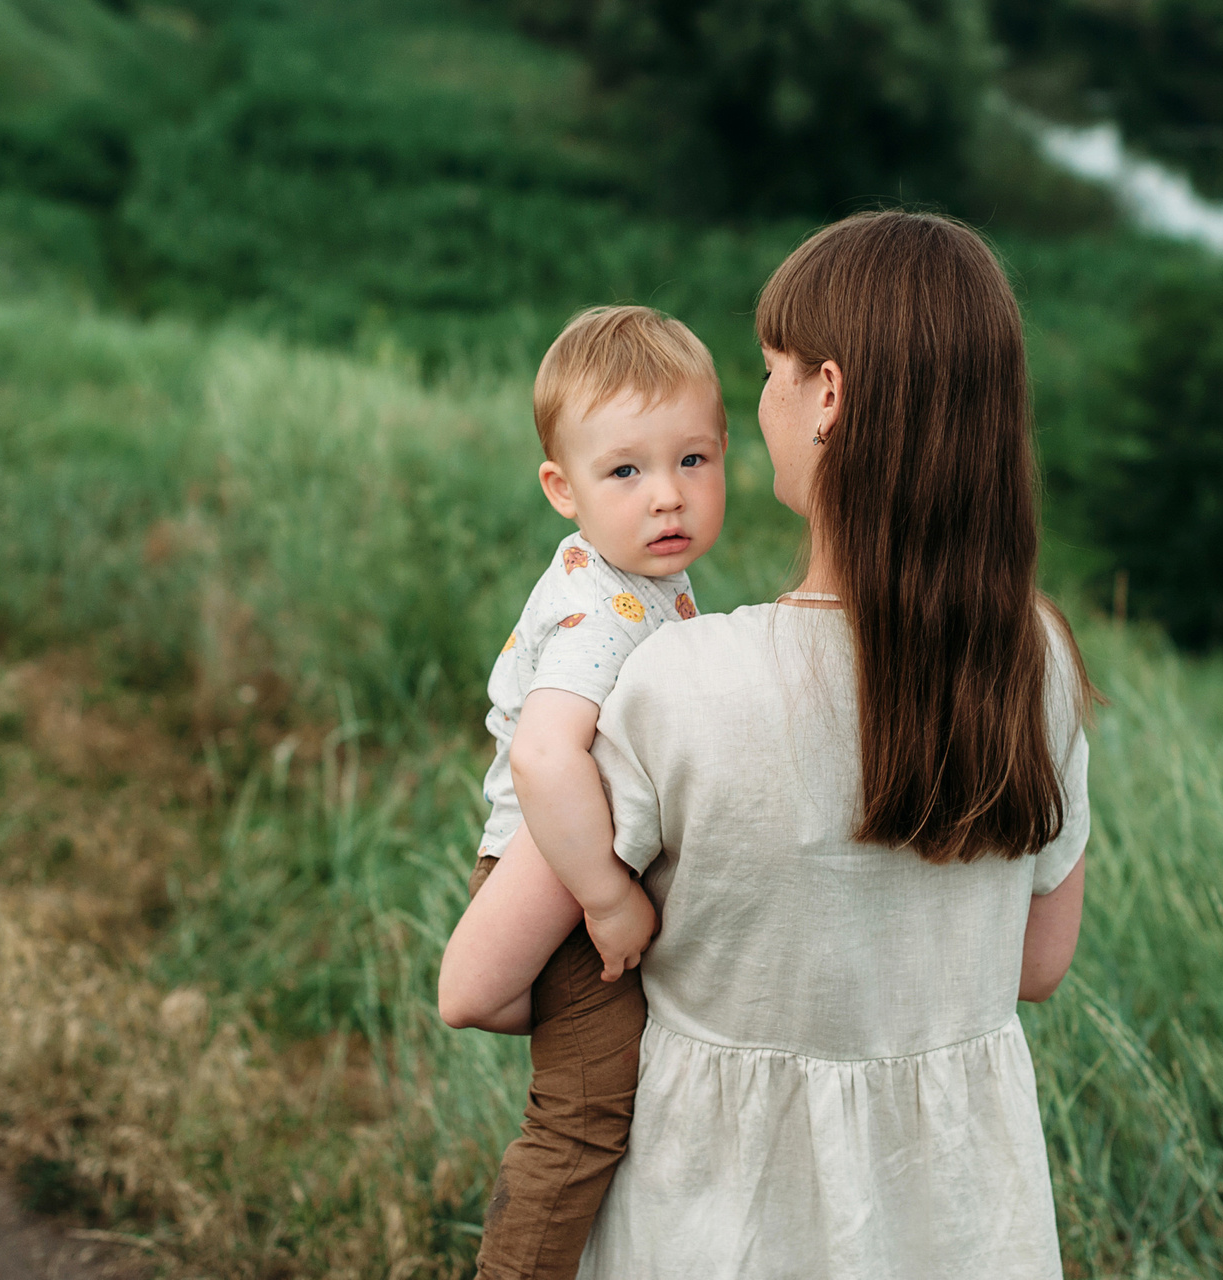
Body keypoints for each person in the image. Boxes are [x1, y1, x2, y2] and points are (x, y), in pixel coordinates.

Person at [446, 209, 1094, 1278]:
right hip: (960, 1228)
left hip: (719, 1231)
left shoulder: (683, 683)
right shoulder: (1038, 662)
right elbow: (1036, 964)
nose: (761, 400)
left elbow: (472, 985)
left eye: (770, 369)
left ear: (826, 396)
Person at [435, 304, 730, 1280]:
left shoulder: (635, 580)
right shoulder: (601, 617)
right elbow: (545, 760)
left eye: (692, 460)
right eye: (626, 472)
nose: (666, 499)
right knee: (583, 1117)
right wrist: (604, 897)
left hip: (572, 870)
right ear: (561, 488)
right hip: (555, 881)